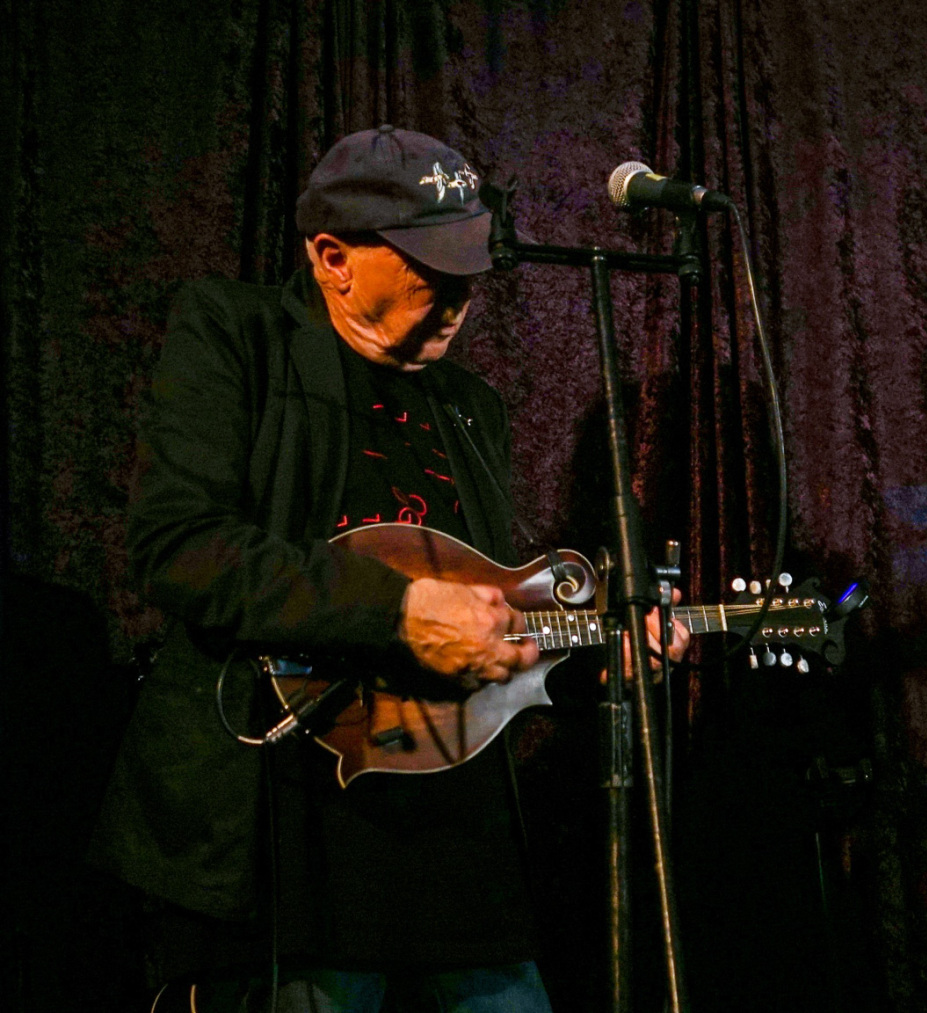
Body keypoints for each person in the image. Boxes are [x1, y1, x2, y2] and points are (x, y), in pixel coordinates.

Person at [93, 126, 686, 1012]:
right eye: (430, 269)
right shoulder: (239, 336)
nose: (459, 296)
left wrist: (596, 651)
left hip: (455, 847)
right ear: (332, 257)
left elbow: (488, 623)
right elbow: (180, 545)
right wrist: (399, 610)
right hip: (290, 836)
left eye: (470, 269)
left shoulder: (471, 407)